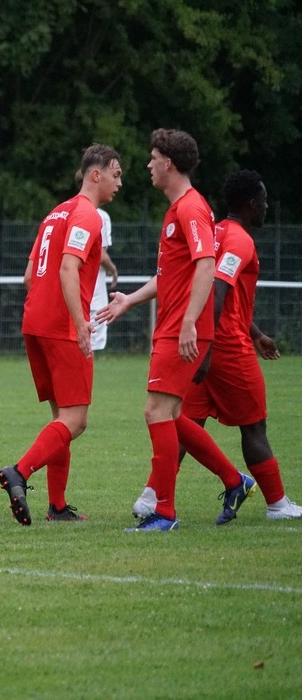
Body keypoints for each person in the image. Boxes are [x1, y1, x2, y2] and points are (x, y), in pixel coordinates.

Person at [97, 129, 256, 532]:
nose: (148, 165)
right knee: (173, 414)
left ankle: (165, 512)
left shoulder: (191, 208)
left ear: (169, 163)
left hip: (181, 329)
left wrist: (188, 323)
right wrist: (130, 300)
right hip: (172, 326)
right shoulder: (177, 210)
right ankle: (234, 480)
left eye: (153, 158)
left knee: (156, 412)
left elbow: (206, 264)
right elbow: (170, 275)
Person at [0, 144, 122, 526]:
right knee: (77, 420)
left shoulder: (56, 213)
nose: (119, 183)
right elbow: (69, 269)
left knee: (61, 419)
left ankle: (57, 506)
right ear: (96, 174)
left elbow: (29, 275)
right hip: (62, 326)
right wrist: (80, 322)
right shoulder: (88, 215)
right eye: (116, 174)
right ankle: (19, 472)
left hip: (35, 321)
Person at [180, 170, 302, 520]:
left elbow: (225, 297)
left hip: (206, 342)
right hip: (226, 348)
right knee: (254, 426)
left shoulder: (214, 232)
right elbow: (217, 294)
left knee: (187, 425)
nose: (266, 207)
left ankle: (152, 496)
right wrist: (209, 350)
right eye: (263, 201)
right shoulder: (240, 240)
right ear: (250, 204)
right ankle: (277, 504)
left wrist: (257, 333)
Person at [90, 208, 119, 352]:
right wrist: (113, 270)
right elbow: (100, 254)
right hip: (93, 296)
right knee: (88, 347)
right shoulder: (100, 216)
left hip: (69, 295)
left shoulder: (65, 211)